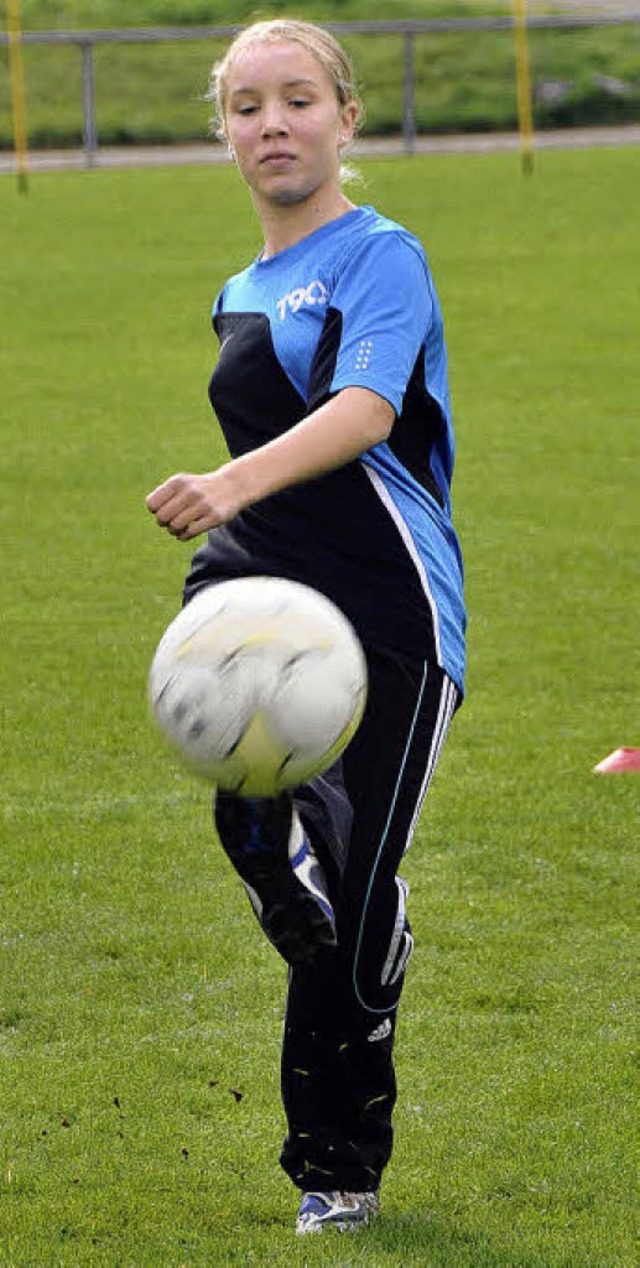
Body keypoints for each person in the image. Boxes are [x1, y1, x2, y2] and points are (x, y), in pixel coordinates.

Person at [146, 17, 466, 1236]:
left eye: (295, 101)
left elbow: (370, 410)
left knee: (345, 909)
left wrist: (228, 484)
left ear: (344, 117)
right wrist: (235, 519)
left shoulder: (385, 254)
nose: (271, 125)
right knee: (264, 822)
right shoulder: (239, 288)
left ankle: (338, 1168)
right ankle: (322, 890)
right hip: (265, 584)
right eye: (245, 107)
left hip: (390, 607)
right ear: (223, 131)